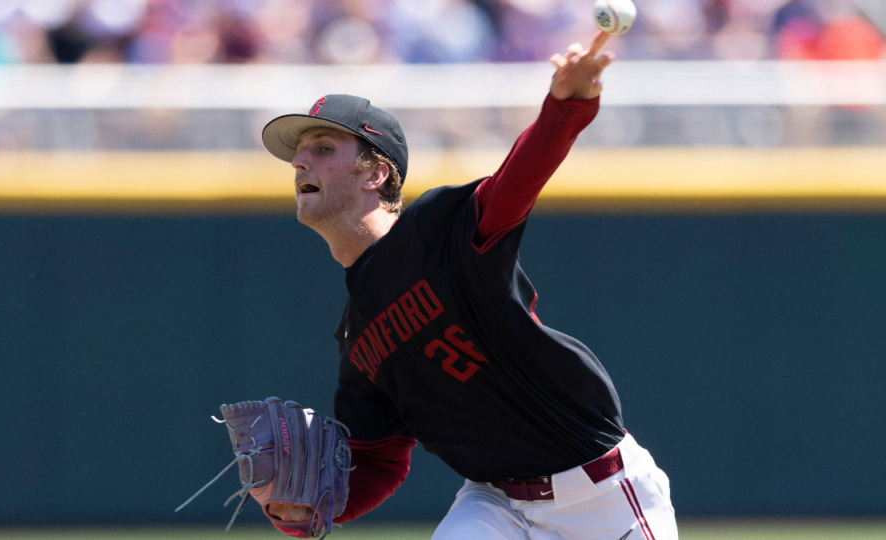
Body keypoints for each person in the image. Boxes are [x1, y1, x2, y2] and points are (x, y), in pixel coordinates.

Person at [260, 32, 677, 539]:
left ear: (376, 175)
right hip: (493, 503)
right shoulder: (356, 335)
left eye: (324, 148)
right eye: (299, 154)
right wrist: (309, 509)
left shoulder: (436, 231)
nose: (301, 162)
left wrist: (565, 107)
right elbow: (378, 460)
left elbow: (516, 183)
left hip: (599, 495)